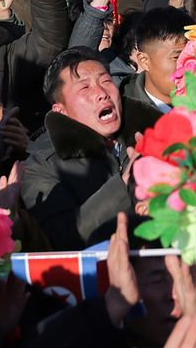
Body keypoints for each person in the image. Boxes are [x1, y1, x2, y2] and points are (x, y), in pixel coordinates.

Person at [22, 48, 140, 249]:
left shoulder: (147, 135)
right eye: (85, 88)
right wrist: (124, 184)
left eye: (106, 81)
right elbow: (62, 237)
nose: (102, 94)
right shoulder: (41, 166)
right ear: (61, 111)